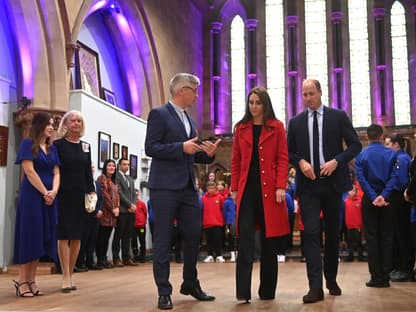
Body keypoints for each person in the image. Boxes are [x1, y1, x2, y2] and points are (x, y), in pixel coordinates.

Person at [145, 72, 220, 310]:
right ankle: (163, 291)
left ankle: (190, 283)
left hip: (188, 187)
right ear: (181, 90)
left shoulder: (189, 119)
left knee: (193, 236)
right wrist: (181, 147)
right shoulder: (159, 114)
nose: (197, 95)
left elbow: (191, 152)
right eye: (194, 90)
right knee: (163, 239)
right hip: (165, 187)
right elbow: (151, 147)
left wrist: (206, 153)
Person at [287, 79, 362, 303]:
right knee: (310, 233)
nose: (308, 98)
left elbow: (355, 145)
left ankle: (331, 278)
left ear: (320, 92)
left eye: (311, 93)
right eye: (304, 94)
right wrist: (300, 162)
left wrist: (337, 161)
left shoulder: (338, 116)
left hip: (332, 184)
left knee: (331, 235)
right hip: (308, 185)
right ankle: (315, 287)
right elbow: (290, 151)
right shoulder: (296, 122)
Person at [231, 86, 290, 302]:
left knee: (269, 243)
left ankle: (267, 292)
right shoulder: (240, 128)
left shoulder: (277, 127)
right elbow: (236, 161)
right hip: (247, 190)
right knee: (245, 241)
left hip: (270, 191)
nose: (254, 106)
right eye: (251, 102)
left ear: (265, 105)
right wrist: (235, 189)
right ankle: (243, 292)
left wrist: (281, 186)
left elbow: (283, 158)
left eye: (258, 102)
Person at [13, 112, 60, 297]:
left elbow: (56, 172)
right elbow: (29, 172)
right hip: (33, 196)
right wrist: (45, 192)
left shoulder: (52, 149)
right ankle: (22, 281)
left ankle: (32, 280)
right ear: (38, 125)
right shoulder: (27, 144)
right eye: (48, 124)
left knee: (41, 237)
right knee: (30, 236)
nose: (51, 127)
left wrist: (54, 192)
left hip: (49, 197)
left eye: (52, 124)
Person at [54, 110, 95, 292]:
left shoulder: (86, 147)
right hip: (63, 194)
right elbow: (55, 170)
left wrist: (92, 193)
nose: (76, 123)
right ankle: (65, 276)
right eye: (73, 120)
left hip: (80, 195)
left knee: (77, 236)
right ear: (66, 124)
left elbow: (88, 173)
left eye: (79, 121)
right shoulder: (58, 145)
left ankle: (71, 274)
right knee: (63, 235)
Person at [355, 124, 398, 287]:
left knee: (372, 237)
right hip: (387, 199)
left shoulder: (361, 155)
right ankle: (386, 276)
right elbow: (394, 176)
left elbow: (361, 178)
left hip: (369, 199)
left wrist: (373, 197)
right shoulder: (391, 154)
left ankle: (375, 277)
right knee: (387, 236)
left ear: (367, 136)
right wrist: (384, 195)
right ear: (381, 135)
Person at [384, 134, 415, 282]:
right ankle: (398, 266)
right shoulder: (399, 157)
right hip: (396, 198)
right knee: (397, 233)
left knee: (403, 234)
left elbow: (402, 180)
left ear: (396, 145)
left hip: (400, 198)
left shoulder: (401, 159)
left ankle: (405, 268)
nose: (386, 147)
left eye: (388, 144)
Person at [75, 163, 103, 272]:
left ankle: (90, 261)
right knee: (84, 240)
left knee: (92, 240)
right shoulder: (83, 183)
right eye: (89, 167)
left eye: (92, 168)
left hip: (96, 217)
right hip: (86, 215)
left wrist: (99, 209)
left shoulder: (97, 184)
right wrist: (94, 210)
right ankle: (80, 262)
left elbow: (100, 198)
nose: (91, 169)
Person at [113, 158, 137, 267]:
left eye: (128, 164)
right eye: (124, 164)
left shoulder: (130, 178)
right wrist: (129, 205)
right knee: (118, 235)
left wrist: (134, 205)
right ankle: (116, 258)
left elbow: (134, 194)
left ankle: (126, 257)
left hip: (131, 211)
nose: (126, 166)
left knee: (128, 236)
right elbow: (119, 193)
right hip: (122, 210)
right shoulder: (116, 177)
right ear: (119, 165)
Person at [96, 159, 120, 269]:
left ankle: (104, 258)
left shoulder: (114, 181)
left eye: (113, 166)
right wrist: (112, 208)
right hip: (105, 212)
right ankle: (100, 259)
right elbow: (104, 196)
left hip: (113, 215)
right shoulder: (102, 179)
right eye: (109, 165)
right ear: (105, 167)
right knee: (101, 237)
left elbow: (117, 196)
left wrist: (117, 207)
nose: (112, 168)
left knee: (107, 237)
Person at [201, 180, 225, 263]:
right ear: (207, 189)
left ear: (215, 188)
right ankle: (210, 255)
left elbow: (222, 209)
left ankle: (219, 255)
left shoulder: (220, 198)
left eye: (212, 188)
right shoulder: (203, 199)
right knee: (209, 240)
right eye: (209, 188)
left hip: (217, 223)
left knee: (218, 239)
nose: (211, 190)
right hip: (207, 223)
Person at [132, 189, 148, 263]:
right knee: (134, 240)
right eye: (135, 195)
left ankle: (143, 256)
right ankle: (135, 255)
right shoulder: (132, 204)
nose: (136, 197)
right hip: (134, 226)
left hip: (141, 226)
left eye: (137, 195)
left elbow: (145, 213)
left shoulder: (142, 204)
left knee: (142, 240)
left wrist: (143, 222)